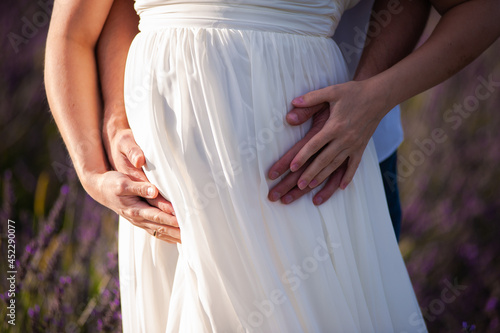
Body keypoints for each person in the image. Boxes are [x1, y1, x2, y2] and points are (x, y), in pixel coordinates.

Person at [44, 0, 500, 332]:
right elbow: (80, 26)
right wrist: (94, 162)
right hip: (166, 184)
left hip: (304, 160)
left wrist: (375, 95)